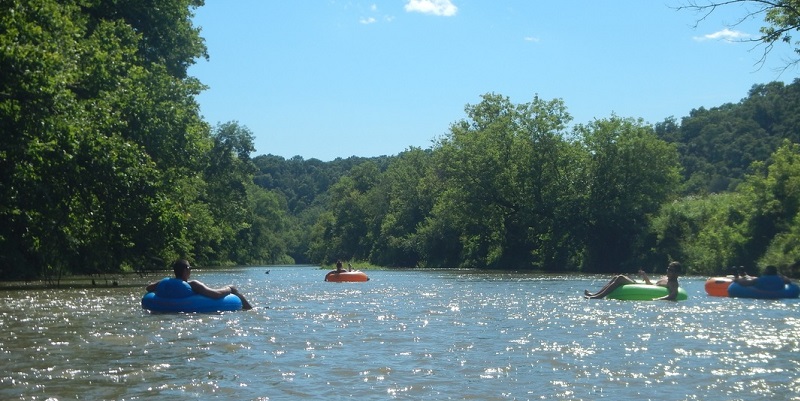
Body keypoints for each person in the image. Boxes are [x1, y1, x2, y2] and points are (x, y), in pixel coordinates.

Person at [146, 260, 253, 310]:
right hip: (191, 307)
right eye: (190, 268)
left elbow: (149, 288)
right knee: (234, 289)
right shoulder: (193, 284)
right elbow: (215, 294)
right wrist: (229, 288)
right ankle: (249, 309)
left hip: (164, 306)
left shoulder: (164, 282)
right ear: (186, 270)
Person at [584, 261, 682, 300]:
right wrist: (645, 276)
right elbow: (651, 284)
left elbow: (673, 295)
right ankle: (595, 294)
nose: (668, 271)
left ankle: (598, 297)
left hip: (644, 290)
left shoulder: (673, 283)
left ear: (677, 273)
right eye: (668, 269)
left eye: (671, 270)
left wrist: (658, 299)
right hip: (646, 287)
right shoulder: (666, 278)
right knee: (616, 277)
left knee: (620, 278)